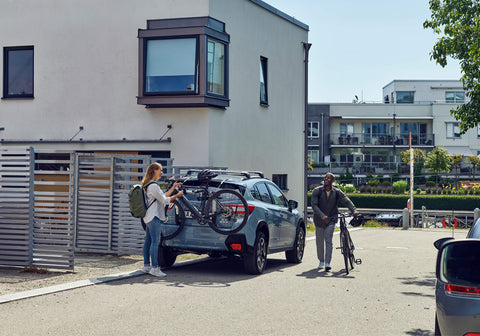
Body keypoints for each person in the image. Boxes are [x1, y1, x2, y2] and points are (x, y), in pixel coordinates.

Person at [141, 162, 183, 277]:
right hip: (154, 216)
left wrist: (173, 188)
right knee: (155, 242)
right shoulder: (153, 186)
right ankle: (154, 268)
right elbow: (165, 201)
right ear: (154, 170)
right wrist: (177, 195)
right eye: (160, 170)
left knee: (148, 241)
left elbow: (162, 196)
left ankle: (146, 266)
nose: (162, 172)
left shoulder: (148, 184)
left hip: (148, 217)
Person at [311, 172, 359, 271]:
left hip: (331, 219)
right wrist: (322, 215)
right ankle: (321, 261)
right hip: (319, 220)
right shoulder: (317, 191)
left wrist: (354, 210)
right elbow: (314, 206)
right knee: (320, 242)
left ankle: (327, 262)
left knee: (328, 240)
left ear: (332, 181)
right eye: (325, 177)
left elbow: (346, 200)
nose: (326, 179)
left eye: (329, 178)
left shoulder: (336, 192)